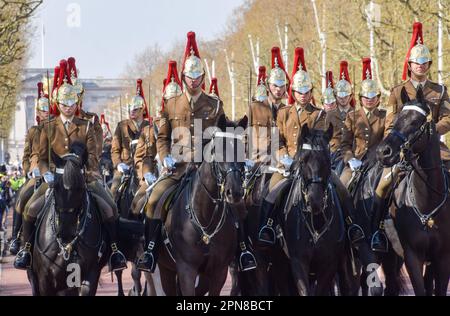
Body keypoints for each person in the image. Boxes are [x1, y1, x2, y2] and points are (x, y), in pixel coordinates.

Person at [137, 32, 256, 273]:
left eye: (198, 76)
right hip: (178, 168)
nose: (194, 80)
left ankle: (243, 249)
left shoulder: (214, 104)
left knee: (237, 202)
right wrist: (165, 156)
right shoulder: (170, 105)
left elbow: (224, 132)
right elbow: (162, 137)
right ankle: (150, 251)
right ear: (183, 77)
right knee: (153, 201)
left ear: (203, 77)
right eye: (190, 76)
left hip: (208, 168)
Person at [14, 59, 127, 271]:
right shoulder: (48, 126)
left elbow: (93, 154)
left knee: (110, 207)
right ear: (59, 103)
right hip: (56, 179)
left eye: (72, 102)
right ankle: (26, 250)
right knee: (30, 208)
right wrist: (47, 173)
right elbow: (42, 155)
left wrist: (84, 171)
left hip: (83, 178)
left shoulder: (86, 126)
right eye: (64, 103)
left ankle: (114, 251)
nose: (68, 107)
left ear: (77, 102)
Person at [258, 48, 364, 246]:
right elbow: (277, 140)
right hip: (287, 164)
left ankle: (352, 225)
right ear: (293, 92)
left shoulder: (319, 114)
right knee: (272, 191)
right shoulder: (283, 113)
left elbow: (324, 141)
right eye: (300, 92)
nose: (304, 95)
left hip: (313, 166)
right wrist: (284, 157)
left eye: (307, 92)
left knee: (341, 189)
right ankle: (268, 227)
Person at [372, 22, 450, 252]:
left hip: (435, 149)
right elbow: (389, 124)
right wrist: (395, 146)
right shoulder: (398, 92)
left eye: (425, 63)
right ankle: (377, 231)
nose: (422, 66)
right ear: (410, 64)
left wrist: (431, 130)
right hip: (404, 151)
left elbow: (447, 119)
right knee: (382, 186)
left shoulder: (440, 91)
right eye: (418, 62)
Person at [339, 57, 387, 251]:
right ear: (359, 98)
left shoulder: (384, 116)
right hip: (356, 163)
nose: (370, 100)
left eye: (373, 96)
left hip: (378, 163)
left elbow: (388, 140)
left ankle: (382, 228)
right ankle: (348, 226)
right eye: (366, 97)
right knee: (341, 186)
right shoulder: (352, 116)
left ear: (378, 98)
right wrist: (350, 160)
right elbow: (344, 145)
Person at [9, 81, 50, 254]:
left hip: (52, 173)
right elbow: (26, 156)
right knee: (22, 198)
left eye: (47, 110)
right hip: (35, 174)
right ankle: (16, 238)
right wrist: (28, 169)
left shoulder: (56, 128)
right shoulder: (33, 131)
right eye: (42, 110)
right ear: (38, 112)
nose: (44, 113)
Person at [110, 79, 151, 200]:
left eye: (135, 109)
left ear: (142, 110)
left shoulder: (149, 127)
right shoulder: (122, 125)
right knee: (114, 190)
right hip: (125, 166)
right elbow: (115, 150)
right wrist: (118, 164)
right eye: (130, 109)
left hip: (145, 167)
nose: (131, 112)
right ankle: (112, 217)